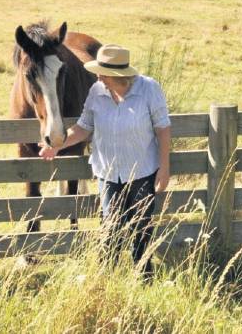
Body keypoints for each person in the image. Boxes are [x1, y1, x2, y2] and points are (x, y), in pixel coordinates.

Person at [39, 44, 171, 277]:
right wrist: (56, 146)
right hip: (108, 172)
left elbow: (163, 129)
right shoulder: (97, 91)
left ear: (118, 75)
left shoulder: (149, 89)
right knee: (111, 228)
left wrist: (164, 168)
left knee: (141, 226)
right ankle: (106, 277)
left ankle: (143, 274)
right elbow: (83, 128)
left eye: (103, 72)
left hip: (142, 170)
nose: (98, 76)